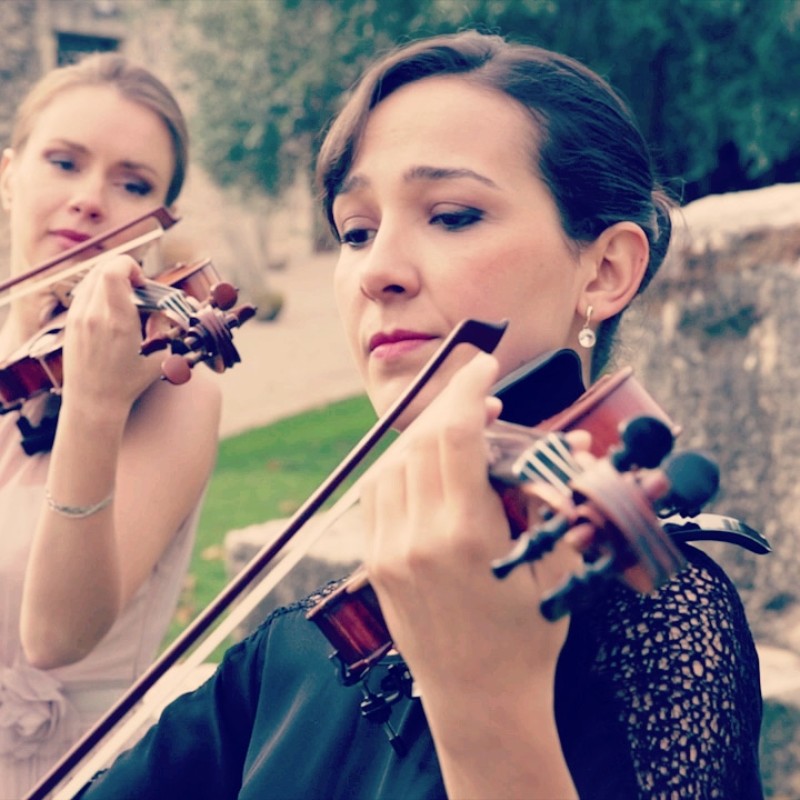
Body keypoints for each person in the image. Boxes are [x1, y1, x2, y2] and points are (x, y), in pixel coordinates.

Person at [75, 30, 763, 800]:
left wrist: (485, 696)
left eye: (453, 215)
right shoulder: (296, 649)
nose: (376, 271)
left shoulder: (657, 618)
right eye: (356, 231)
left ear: (605, 270)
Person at [0, 53, 221, 796]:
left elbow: (56, 636)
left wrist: (94, 403)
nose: (91, 200)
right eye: (64, 162)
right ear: (8, 176)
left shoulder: (171, 388)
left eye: (133, 184)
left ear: (158, 221)